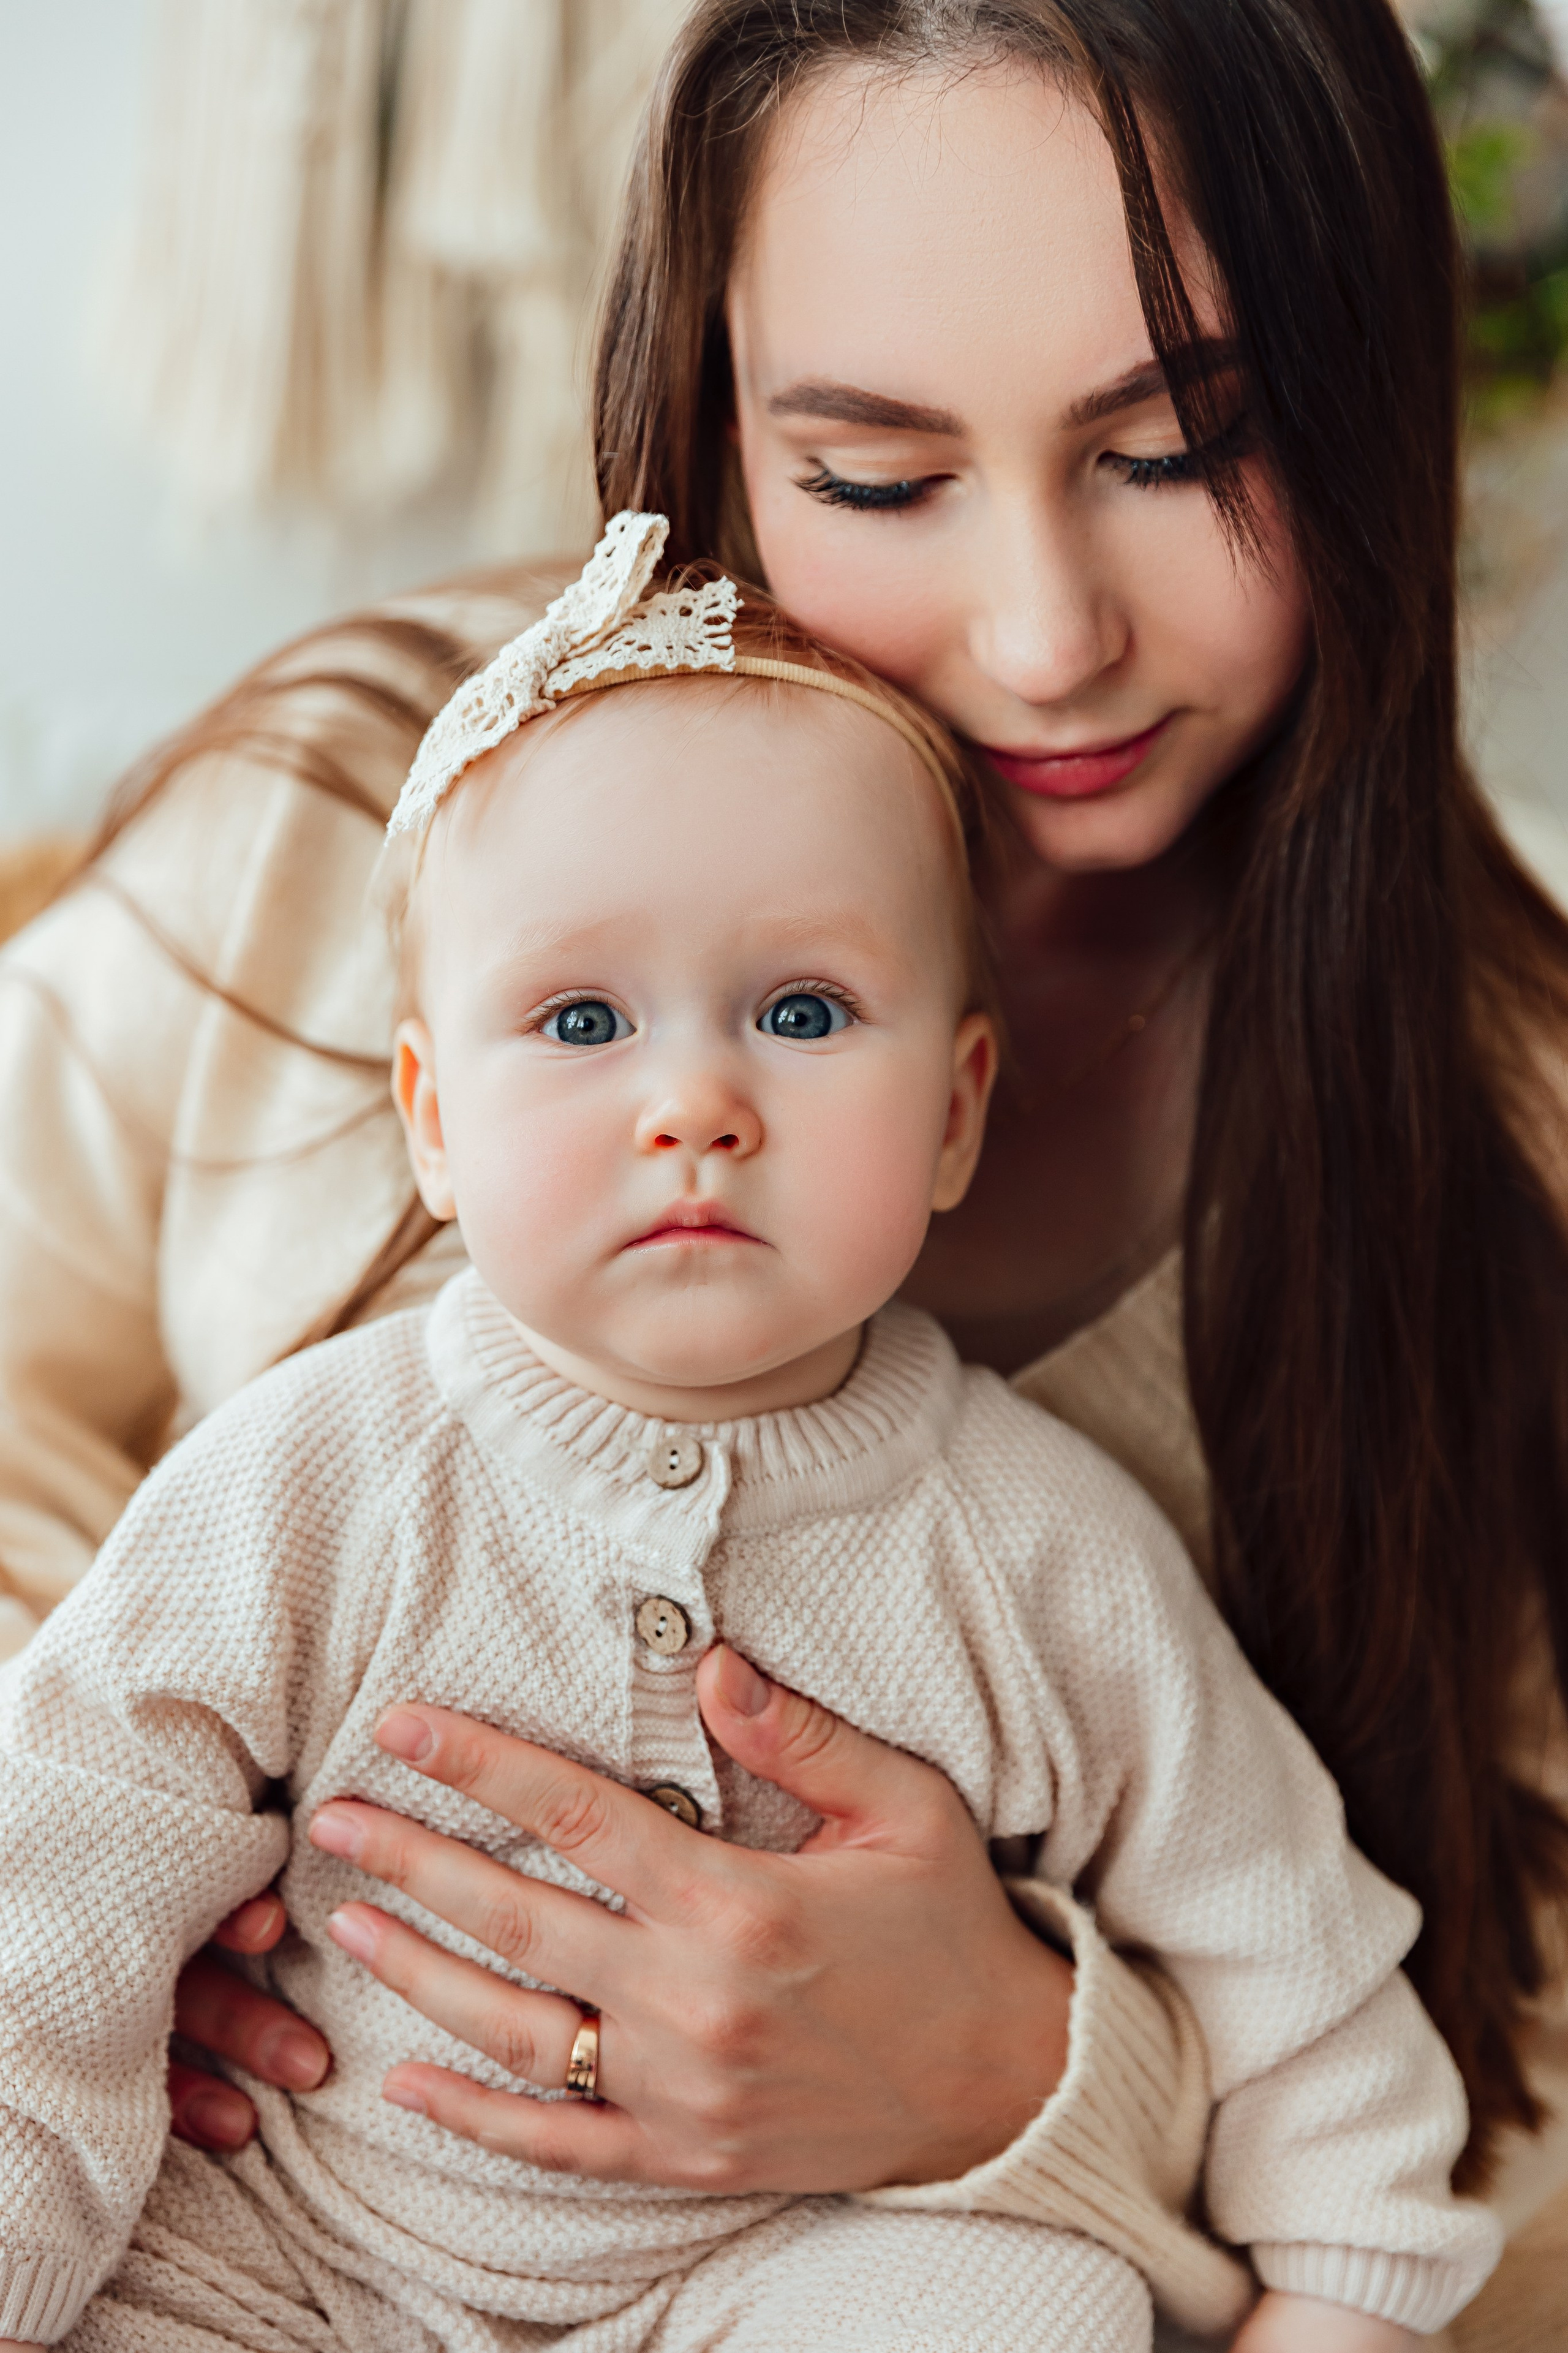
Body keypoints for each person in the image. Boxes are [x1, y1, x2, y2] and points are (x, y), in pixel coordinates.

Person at [0, 0, 1562, 2322]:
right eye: (877, 476)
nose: (1046, 638)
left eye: (1180, 447)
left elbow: (1476, 2130)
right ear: (717, 432)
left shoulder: (1509, 1154)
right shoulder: (362, 806)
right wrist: (121, 1894)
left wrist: (1020, 2077)